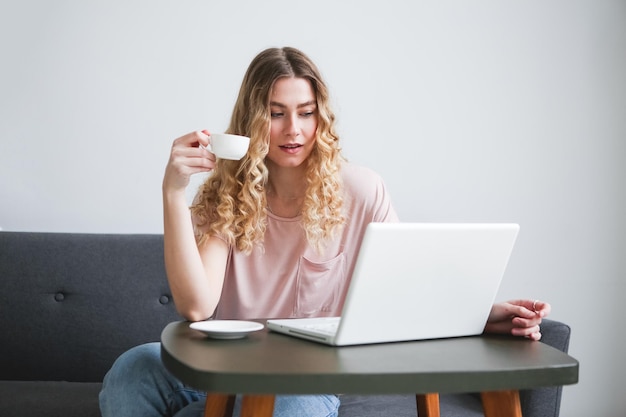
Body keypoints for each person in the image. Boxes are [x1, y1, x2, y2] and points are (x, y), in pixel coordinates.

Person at [99, 46, 550, 417]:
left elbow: (406, 295)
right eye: (275, 114)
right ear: (254, 119)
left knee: (289, 403)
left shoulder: (361, 191)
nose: (293, 130)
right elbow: (196, 306)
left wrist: (481, 314)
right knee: (133, 369)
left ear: (321, 117)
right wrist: (173, 193)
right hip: (225, 368)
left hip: (306, 378)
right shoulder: (227, 194)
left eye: (306, 112)